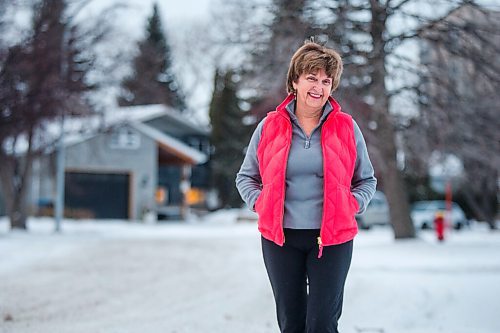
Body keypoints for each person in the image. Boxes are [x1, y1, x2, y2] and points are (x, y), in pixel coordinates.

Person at [235, 40, 377, 333]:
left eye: (326, 81)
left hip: (333, 240)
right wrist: (260, 203)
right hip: (280, 240)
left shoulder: (347, 127)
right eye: (312, 78)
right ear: (295, 81)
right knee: (291, 323)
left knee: (322, 324)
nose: (319, 87)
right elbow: (246, 177)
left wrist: (352, 205)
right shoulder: (269, 126)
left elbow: (367, 180)